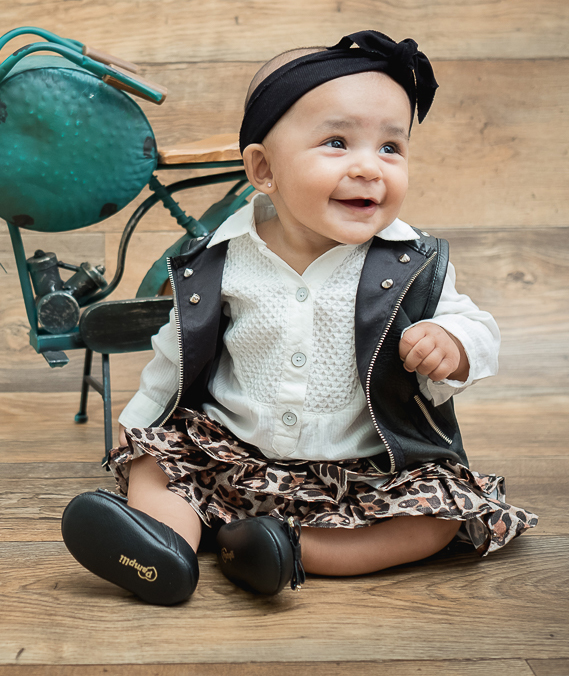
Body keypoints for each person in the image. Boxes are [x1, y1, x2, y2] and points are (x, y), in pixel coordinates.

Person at [61, 30, 538, 605]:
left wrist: (453, 341)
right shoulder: (223, 258)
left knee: (432, 520)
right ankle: (166, 545)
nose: (370, 167)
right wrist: (139, 420)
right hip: (230, 452)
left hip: (361, 470)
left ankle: (285, 549)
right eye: (337, 142)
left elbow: (477, 326)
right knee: (155, 462)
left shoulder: (411, 263)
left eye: (392, 147)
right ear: (264, 170)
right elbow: (176, 350)